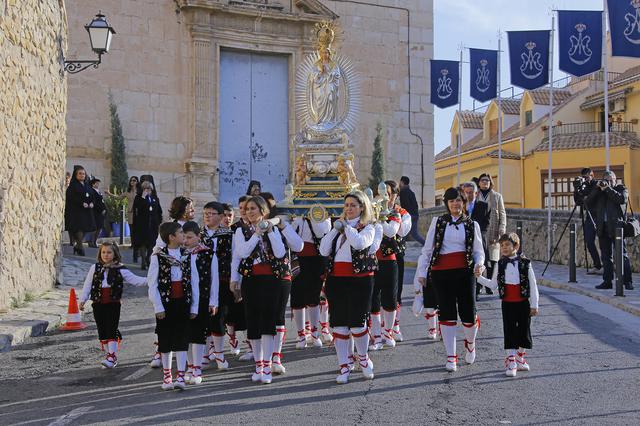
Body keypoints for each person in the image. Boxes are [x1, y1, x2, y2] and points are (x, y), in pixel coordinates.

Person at [414, 187, 485, 372]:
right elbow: (427, 250)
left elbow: (478, 251)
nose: (455, 203)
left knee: (469, 315)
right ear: (446, 203)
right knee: (447, 314)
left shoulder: (472, 224)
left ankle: (470, 343)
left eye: (458, 200)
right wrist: (422, 273)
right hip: (441, 273)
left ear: (464, 202)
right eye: (451, 201)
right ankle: (451, 356)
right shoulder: (438, 222)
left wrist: (480, 264)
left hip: (465, 273)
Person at [319, 191, 377, 384]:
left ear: (361, 208)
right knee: (339, 323)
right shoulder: (338, 228)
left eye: (353, 205)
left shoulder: (369, 227)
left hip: (360, 280)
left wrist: (346, 228)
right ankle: (344, 364)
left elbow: (360, 244)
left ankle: (363, 357)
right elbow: (323, 249)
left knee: (358, 322)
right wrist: (336, 229)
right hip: (337, 280)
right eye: (346, 205)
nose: (349, 209)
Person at [234, 195, 289, 384]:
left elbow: (280, 252)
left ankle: (266, 365)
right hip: (251, 280)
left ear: (263, 212)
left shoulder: (272, 229)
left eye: (253, 209)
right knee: (253, 321)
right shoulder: (241, 231)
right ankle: (258, 365)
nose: (249, 212)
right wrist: (256, 233)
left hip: (271, 280)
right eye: (247, 209)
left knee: (268, 322)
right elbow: (242, 252)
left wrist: (269, 231)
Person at [477, 233, 539, 377]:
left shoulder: (526, 263)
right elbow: (493, 285)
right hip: (507, 303)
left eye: (507, 245)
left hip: (523, 302)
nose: (504, 248)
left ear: (516, 246)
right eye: (502, 245)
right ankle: (511, 360)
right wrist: (479, 278)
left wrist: (534, 305)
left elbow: (533, 284)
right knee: (509, 330)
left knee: (524, 331)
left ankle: (520, 356)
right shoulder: (500, 264)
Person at [147, 222, 200, 390]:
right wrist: (158, 306)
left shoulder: (187, 254)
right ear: (171, 237)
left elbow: (195, 281)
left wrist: (194, 306)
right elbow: (152, 283)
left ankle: (181, 376)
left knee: (182, 339)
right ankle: (167, 376)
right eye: (180, 233)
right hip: (165, 303)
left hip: (183, 302)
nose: (184, 236)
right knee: (166, 339)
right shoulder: (158, 256)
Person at [79, 242, 147, 369]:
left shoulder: (120, 268)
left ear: (115, 254)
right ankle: (109, 355)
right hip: (98, 303)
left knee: (111, 328)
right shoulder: (95, 268)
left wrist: (151, 279)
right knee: (102, 329)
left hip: (113, 304)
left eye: (109, 252)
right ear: (100, 253)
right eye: (103, 252)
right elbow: (87, 285)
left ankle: (111, 355)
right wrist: (83, 299)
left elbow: (136, 280)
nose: (106, 255)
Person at [182, 221, 219, 385]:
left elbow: (214, 279)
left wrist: (213, 301)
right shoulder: (179, 254)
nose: (186, 241)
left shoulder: (208, 254)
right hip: (184, 300)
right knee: (186, 334)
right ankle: (190, 366)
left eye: (189, 237)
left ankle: (197, 368)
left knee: (198, 333)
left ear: (198, 236)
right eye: (183, 237)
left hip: (202, 299)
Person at [199, 202, 234, 370]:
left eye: (212, 213)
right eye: (206, 212)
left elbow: (235, 258)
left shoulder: (229, 234)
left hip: (222, 281)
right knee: (204, 317)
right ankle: (205, 354)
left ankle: (219, 353)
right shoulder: (198, 234)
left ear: (221, 216)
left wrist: (236, 281)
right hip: (202, 282)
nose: (207, 215)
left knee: (219, 317)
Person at [585, 171, 633, 290]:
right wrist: (597, 189)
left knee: (622, 255)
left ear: (615, 180)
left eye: (612, 179)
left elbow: (621, 199)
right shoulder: (600, 192)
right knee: (606, 257)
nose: (609, 181)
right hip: (603, 228)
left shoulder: (621, 188)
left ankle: (628, 282)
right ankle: (607, 281)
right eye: (607, 179)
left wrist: (608, 189)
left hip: (617, 228)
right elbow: (587, 202)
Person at [291, 209, 332, 349]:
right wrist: (297, 218)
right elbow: (289, 233)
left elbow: (323, 231)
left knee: (314, 297)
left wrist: (312, 214)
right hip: (297, 258)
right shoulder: (294, 212)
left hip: (316, 258)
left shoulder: (323, 212)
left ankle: (315, 333)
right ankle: (301, 334)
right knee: (297, 298)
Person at [228, 195, 253, 361]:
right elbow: (235, 256)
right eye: (242, 208)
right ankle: (250, 346)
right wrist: (234, 279)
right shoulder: (236, 228)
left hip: (260, 275)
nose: (244, 211)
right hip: (244, 274)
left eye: (248, 208)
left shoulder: (263, 226)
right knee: (246, 312)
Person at [387, 180, 412, 342]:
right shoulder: (372, 211)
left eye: (389, 194)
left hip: (396, 256)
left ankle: (395, 326)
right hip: (378, 257)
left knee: (396, 292)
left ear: (395, 195)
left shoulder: (403, 213)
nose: (386, 197)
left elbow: (402, 231)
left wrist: (391, 215)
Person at [476, 173, 506, 292]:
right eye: (483, 180)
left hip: (493, 231)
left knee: (493, 261)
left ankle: (490, 285)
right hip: (479, 231)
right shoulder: (475, 195)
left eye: (487, 180)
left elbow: (502, 213)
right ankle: (479, 285)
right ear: (479, 182)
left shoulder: (497, 196)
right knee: (480, 259)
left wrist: (502, 227)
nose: (485, 182)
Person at [461, 181, 490, 300]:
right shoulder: (460, 206)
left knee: (480, 263)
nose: (468, 195)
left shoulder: (483, 205)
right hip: (463, 240)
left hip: (479, 238)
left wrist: (477, 235)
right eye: (466, 192)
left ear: (476, 193)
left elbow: (486, 224)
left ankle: (477, 290)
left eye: (470, 192)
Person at [573, 168, 602, 272]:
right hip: (589, 217)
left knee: (603, 242)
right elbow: (578, 202)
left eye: (586, 177)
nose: (585, 179)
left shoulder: (597, 184)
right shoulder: (583, 187)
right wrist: (576, 189)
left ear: (592, 175)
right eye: (583, 177)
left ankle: (608, 266)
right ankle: (597, 265)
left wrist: (585, 196)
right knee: (589, 241)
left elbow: (590, 198)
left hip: (600, 217)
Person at [64, 165, 96, 256]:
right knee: (79, 229)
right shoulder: (73, 186)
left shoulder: (87, 185)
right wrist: (81, 203)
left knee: (86, 229)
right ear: (76, 175)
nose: (82, 175)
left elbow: (92, 196)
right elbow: (71, 197)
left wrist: (92, 203)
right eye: (80, 174)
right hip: (76, 211)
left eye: (83, 174)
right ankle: (80, 247)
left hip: (87, 211)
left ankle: (77, 246)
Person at [132, 181, 162, 270]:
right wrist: (143, 197)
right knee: (143, 243)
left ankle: (147, 257)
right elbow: (137, 208)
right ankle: (143, 262)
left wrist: (159, 220)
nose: (147, 190)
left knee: (151, 243)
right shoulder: (139, 198)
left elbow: (159, 211)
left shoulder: (155, 198)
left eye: (148, 189)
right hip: (142, 224)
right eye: (145, 189)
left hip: (152, 224)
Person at [399, 176, 425, 245]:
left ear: (402, 182)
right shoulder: (411, 192)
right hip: (415, 215)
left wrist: (403, 214)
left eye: (400, 182)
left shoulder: (402, 192)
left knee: (402, 232)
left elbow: (404, 205)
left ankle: (400, 247)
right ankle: (426, 244)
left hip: (408, 215)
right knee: (414, 234)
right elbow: (416, 205)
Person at [89, 178, 106, 248]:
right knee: (95, 227)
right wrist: (101, 209)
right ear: (93, 184)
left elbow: (102, 201)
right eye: (97, 183)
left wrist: (104, 209)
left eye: (99, 183)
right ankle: (92, 242)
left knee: (100, 227)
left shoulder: (99, 191)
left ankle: (94, 241)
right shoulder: (92, 191)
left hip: (101, 212)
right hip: (96, 212)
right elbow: (94, 202)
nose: (98, 184)